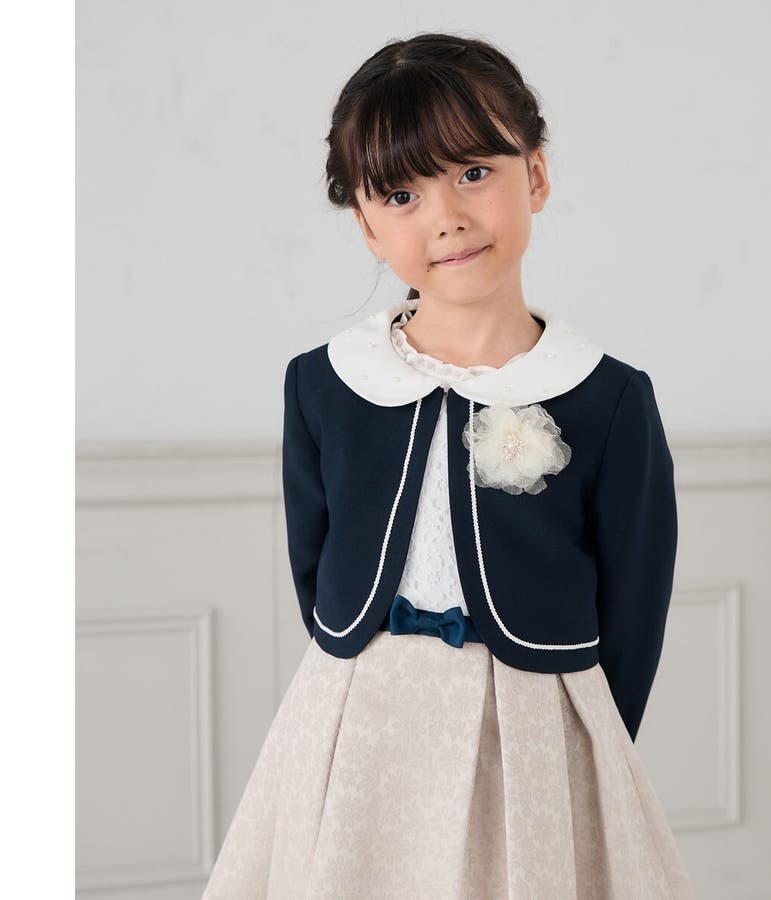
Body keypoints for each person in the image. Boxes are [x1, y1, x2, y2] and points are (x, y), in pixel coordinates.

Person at [202, 32, 693, 900]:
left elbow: (633, 611)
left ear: (535, 175)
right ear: (366, 224)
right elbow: (318, 573)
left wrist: (578, 753)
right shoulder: (324, 384)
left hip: (535, 736)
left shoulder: (607, 396)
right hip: (355, 730)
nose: (446, 216)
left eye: (472, 172)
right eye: (401, 193)